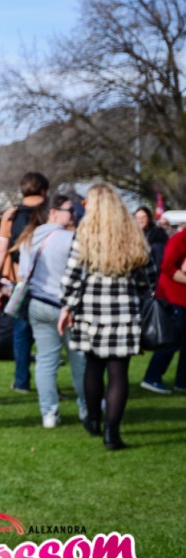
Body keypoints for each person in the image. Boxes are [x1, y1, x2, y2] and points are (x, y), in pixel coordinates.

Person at [57, 183, 156, 451]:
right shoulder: (132, 234)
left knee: (93, 366)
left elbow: (72, 276)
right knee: (118, 372)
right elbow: (149, 276)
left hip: (91, 311)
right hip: (125, 311)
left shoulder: (85, 233)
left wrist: (66, 307)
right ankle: (112, 433)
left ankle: (92, 418)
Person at [21, 195, 83, 427]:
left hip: (37, 303)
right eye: (69, 210)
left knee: (46, 361)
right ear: (53, 212)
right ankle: (87, 407)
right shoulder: (70, 238)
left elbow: (23, 273)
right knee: (79, 360)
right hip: (66, 306)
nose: (73, 215)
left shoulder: (30, 236)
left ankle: (49, 413)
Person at [0, 171, 49, 394]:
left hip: (20, 281)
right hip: (49, 280)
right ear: (44, 190)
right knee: (47, 335)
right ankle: (48, 383)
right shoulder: (51, 212)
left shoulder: (11, 215)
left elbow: (2, 249)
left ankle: (22, 380)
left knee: (21, 332)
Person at [140, 220, 186, 395]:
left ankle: (182, 381)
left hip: (181, 297)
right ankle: (152, 377)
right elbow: (167, 266)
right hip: (173, 298)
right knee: (171, 338)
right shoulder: (180, 240)